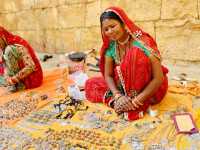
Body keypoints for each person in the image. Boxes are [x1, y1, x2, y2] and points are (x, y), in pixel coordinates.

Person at [85, 7, 168, 121]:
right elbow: (108, 75)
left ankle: (127, 105)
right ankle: (120, 103)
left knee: (134, 55)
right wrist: (117, 95)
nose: (110, 31)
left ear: (123, 23)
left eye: (113, 26)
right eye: (106, 29)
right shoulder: (111, 47)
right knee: (91, 84)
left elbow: (158, 78)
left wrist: (136, 102)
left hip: (148, 90)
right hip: (123, 89)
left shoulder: (142, 43)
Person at [0, 26, 43, 92]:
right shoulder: (3, 47)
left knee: (8, 50)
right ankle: (14, 84)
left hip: (32, 79)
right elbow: (4, 66)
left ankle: (19, 85)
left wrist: (14, 79)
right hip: (16, 78)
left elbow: (31, 66)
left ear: (2, 37)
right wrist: (7, 77)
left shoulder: (16, 44)